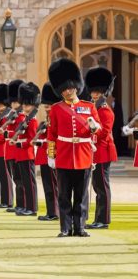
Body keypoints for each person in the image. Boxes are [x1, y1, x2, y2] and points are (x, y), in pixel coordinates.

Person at [47, 58, 101, 237]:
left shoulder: (88, 107)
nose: (67, 91)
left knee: (81, 195)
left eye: (70, 87)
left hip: (83, 154)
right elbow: (52, 134)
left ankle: (79, 227)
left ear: (76, 86)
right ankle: (65, 228)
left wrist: (94, 127)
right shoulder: (56, 109)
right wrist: (51, 155)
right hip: (63, 155)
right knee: (63, 195)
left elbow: (98, 131)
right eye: (64, 89)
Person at [84, 67, 118, 230]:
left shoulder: (105, 111)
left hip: (103, 152)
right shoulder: (94, 109)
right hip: (94, 153)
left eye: (98, 92)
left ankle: (103, 220)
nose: (94, 94)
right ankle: (99, 218)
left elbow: (103, 133)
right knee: (98, 186)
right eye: (93, 91)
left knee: (102, 187)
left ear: (104, 92)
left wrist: (92, 129)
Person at [11, 82, 40, 216]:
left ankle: (32, 208)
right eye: (23, 104)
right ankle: (26, 206)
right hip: (20, 155)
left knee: (30, 183)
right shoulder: (26, 120)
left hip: (27, 154)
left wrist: (19, 143)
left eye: (27, 104)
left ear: (33, 104)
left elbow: (32, 139)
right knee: (23, 182)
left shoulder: (33, 121)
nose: (24, 107)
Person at [0, 79, 26, 213]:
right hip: (10, 151)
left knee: (20, 180)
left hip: (17, 151)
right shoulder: (12, 115)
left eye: (16, 102)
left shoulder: (21, 117)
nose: (14, 104)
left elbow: (18, 133)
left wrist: (6, 132)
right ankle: (19, 204)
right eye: (13, 102)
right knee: (16, 180)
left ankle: (23, 204)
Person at [33, 82, 60, 221]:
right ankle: (51, 211)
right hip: (45, 156)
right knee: (48, 186)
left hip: (53, 156)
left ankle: (55, 212)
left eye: (48, 105)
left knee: (54, 185)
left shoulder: (57, 118)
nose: (46, 108)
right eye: (46, 106)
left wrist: (51, 153)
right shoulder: (47, 119)